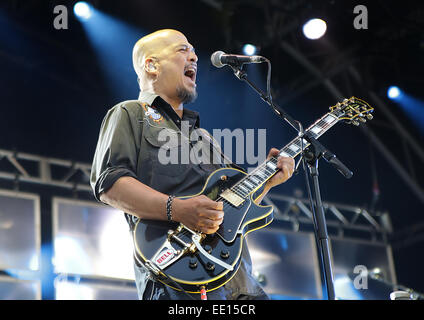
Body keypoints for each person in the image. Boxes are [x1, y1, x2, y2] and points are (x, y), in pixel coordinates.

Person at [90, 29, 295, 300]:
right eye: (182, 50)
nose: (194, 57)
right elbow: (110, 184)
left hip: (240, 281)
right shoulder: (129, 113)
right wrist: (178, 209)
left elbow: (233, 203)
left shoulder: (204, 138)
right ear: (151, 65)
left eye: (194, 51)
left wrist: (269, 180)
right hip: (177, 275)